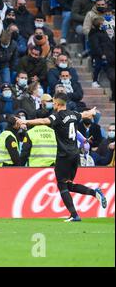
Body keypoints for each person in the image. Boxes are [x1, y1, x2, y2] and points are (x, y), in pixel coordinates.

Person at [17, 93, 107, 222]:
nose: (53, 104)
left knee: (61, 184)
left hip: (63, 155)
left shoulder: (57, 116)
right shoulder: (74, 114)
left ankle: (74, 215)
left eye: (53, 102)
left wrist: (26, 121)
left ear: (58, 104)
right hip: (75, 154)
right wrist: (92, 111)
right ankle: (94, 193)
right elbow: (85, 114)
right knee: (68, 185)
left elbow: (43, 121)